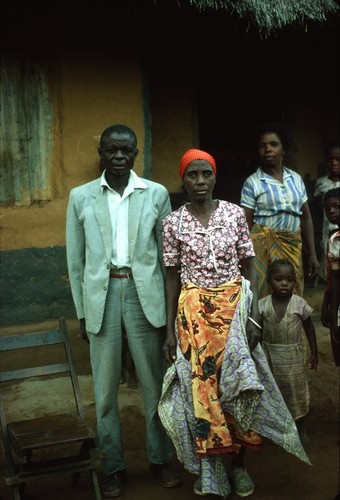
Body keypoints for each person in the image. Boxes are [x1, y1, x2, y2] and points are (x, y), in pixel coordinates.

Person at [158, 148, 310, 499]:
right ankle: (210, 472)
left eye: (206, 174)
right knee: (201, 394)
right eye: (192, 175)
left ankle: (239, 468)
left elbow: (249, 267)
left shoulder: (234, 215)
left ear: (214, 176)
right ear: (183, 180)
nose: (199, 181)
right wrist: (169, 330)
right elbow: (171, 277)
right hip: (194, 317)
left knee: (239, 387)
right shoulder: (172, 223)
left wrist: (254, 315)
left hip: (235, 314)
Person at [66, 124, 181, 498]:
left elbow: (168, 258)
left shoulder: (156, 194)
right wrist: (82, 312)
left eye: (126, 150)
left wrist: (171, 311)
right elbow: (76, 261)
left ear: (135, 154)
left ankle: (160, 458)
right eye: (111, 149)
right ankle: (112, 465)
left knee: (154, 384)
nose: (118, 156)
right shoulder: (81, 197)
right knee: (104, 391)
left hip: (143, 293)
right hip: (101, 295)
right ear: (101, 152)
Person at [240, 122, 319, 298]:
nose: (267, 149)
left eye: (273, 144)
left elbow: (305, 218)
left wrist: (312, 253)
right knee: (264, 296)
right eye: (262, 146)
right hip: (262, 250)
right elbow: (246, 224)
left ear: (283, 149)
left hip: (293, 248)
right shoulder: (252, 182)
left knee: (294, 296)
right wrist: (244, 259)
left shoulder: (296, 179)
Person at [258, 258, 318, 443]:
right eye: (278, 279)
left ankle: (300, 426)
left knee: (296, 393)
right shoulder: (262, 305)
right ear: (269, 282)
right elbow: (257, 333)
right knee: (272, 392)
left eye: (289, 279)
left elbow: (309, 328)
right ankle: (273, 427)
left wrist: (314, 352)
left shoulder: (299, 304)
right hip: (270, 358)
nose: (284, 283)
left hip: (294, 360)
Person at [313, 142, 340, 282]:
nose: (334, 163)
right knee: (328, 254)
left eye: (337, 159)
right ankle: (328, 284)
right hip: (327, 227)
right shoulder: (321, 183)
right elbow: (318, 205)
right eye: (330, 160)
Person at [321, 187, 340, 367]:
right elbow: (334, 279)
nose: (331, 211)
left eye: (336, 206)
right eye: (328, 208)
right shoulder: (334, 240)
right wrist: (331, 311)